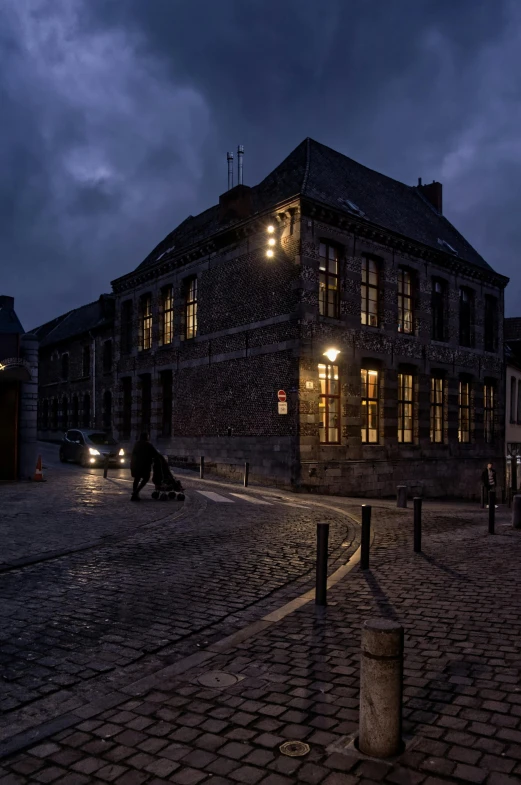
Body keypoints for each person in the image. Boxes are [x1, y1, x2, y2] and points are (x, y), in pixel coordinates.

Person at [130, 432, 159, 501]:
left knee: (136, 479)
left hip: (136, 465)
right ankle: (136, 492)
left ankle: (135, 494)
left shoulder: (137, 444)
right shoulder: (148, 445)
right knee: (146, 478)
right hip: (145, 465)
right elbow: (155, 454)